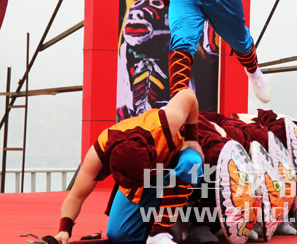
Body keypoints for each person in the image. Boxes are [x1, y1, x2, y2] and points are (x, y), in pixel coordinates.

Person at [52, 89, 204, 244]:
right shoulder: (99, 152)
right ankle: (161, 217)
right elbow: (76, 196)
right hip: (145, 182)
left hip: (175, 160)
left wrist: (192, 139)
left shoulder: (165, 124)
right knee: (119, 236)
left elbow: (188, 95)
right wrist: (64, 230)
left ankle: (160, 231)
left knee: (191, 162)